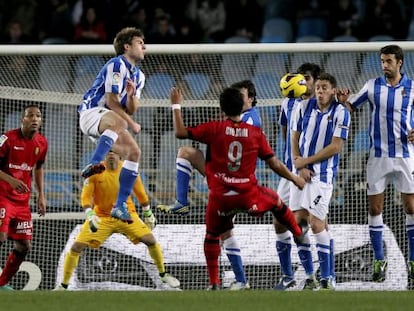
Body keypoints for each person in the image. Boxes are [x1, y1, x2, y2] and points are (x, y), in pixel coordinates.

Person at [168, 86, 307, 290]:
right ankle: (297, 231)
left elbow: (180, 132)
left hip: (221, 198)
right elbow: (274, 163)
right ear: (243, 106)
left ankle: (214, 282)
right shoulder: (254, 132)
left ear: (221, 109)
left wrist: (176, 104)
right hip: (248, 195)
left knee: (212, 236)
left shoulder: (214, 128)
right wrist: (294, 178)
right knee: (277, 202)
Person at [157, 80, 261, 290]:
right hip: (224, 175)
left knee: (222, 232)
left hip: (235, 181)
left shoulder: (249, 120)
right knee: (186, 153)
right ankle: (182, 202)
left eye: (241, 96)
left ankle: (235, 280)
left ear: (250, 99)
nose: (238, 100)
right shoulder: (239, 119)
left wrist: (177, 107)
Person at [54, 150, 179, 290]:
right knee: (76, 247)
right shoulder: (95, 170)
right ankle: (64, 285)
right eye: (108, 152)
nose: (111, 154)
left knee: (151, 240)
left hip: (126, 215)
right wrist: (90, 214)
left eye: (114, 151)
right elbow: (85, 196)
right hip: (101, 217)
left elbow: (141, 192)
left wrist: (148, 212)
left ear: (120, 154)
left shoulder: (128, 170)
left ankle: (163, 274)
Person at [346, 44, 414, 283]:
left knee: (411, 208)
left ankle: (413, 261)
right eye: (382, 61)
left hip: (406, 155)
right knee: (375, 209)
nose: (384, 65)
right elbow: (350, 107)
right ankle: (379, 259)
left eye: (388, 61)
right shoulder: (372, 86)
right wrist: (344, 102)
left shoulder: (412, 87)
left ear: (400, 63)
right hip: (377, 156)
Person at [78, 27, 146, 223]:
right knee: (120, 121)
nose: (144, 46)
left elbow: (132, 108)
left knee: (134, 153)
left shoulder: (139, 76)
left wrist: (132, 95)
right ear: (127, 46)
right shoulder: (117, 65)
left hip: (109, 123)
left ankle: (120, 205)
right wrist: (131, 124)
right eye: (140, 43)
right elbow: (111, 102)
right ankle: (94, 162)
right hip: (91, 113)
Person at [290, 72, 351, 290]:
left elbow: (336, 146)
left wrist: (307, 162)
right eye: (318, 88)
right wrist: (299, 163)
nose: (320, 91)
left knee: (316, 224)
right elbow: (294, 136)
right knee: (296, 226)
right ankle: (310, 276)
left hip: (322, 176)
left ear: (333, 90)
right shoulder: (303, 107)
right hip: (300, 173)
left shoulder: (341, 112)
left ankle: (328, 277)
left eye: (325, 87)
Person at [273, 63, 329, 290]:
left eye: (306, 78)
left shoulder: (321, 106)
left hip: (308, 173)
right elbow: (287, 132)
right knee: (278, 223)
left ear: (316, 81)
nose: (302, 82)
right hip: (288, 171)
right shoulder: (288, 102)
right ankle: (288, 276)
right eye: (300, 78)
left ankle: (314, 276)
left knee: (305, 224)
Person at [0, 105, 48, 291]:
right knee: (1, 237)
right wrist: (10, 180)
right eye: (31, 116)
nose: (35, 119)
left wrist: (41, 195)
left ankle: (2, 283)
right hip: (3, 196)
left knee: (24, 245)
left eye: (38, 116)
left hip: (22, 202)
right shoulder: (7, 139)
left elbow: (39, 168)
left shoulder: (42, 143)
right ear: (23, 119)